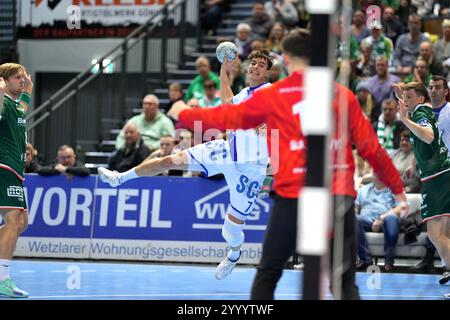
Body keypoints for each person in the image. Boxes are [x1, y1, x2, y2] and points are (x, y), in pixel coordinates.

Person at [167, 29, 407, 300]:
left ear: (288, 59)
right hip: (336, 196)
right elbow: (370, 148)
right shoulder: (342, 95)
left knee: (268, 274)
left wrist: (183, 112)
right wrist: (398, 191)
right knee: (343, 284)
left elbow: (227, 117)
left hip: (293, 195)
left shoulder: (276, 94)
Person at [98, 49, 274, 281]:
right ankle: (119, 178)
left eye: (261, 64)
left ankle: (234, 254)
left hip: (250, 169)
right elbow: (227, 100)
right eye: (253, 63)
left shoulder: (269, 93)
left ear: (267, 72)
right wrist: (222, 69)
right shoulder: (245, 93)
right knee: (169, 160)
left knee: (230, 231)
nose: (255, 66)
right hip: (226, 151)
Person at [394, 81, 450, 286]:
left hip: (438, 177)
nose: (406, 101)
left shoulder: (420, 114)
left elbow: (428, 136)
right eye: (404, 98)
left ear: (420, 99)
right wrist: (404, 98)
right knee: (442, 236)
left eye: (410, 98)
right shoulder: (420, 110)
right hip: (438, 175)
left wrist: (405, 119)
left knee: (436, 235)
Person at [0, 62, 33, 298]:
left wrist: (28, 91)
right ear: (5, 80)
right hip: (4, 168)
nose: (22, 80)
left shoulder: (15, 105)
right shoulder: (3, 101)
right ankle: (3, 279)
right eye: (17, 78)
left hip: (16, 170)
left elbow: (22, 108)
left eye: (23, 77)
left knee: (22, 223)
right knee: (12, 221)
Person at [356, 174, 404, 272]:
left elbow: (402, 207)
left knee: (392, 218)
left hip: (386, 221)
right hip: (366, 220)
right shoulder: (364, 189)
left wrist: (382, 218)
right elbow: (356, 207)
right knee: (352, 219)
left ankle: (389, 261)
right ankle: (365, 259)